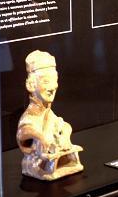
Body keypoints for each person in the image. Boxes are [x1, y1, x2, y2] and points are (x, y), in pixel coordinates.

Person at [16, 50, 83, 181]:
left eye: (55, 81)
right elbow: (23, 132)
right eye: (46, 82)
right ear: (30, 85)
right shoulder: (31, 115)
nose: (53, 87)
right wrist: (40, 138)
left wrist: (65, 132)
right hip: (37, 163)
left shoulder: (48, 113)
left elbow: (63, 125)